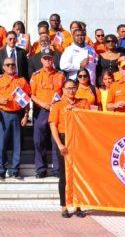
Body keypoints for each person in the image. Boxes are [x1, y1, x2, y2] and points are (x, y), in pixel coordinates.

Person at [49, 79, 90, 218]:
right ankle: (64, 206)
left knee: (79, 175)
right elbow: (53, 125)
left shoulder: (83, 103)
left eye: (73, 88)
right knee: (64, 175)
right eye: (68, 88)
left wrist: (77, 112)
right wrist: (60, 144)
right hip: (64, 138)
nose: (70, 91)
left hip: (79, 139)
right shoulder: (58, 105)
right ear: (63, 90)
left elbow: (90, 120)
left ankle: (78, 205)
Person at [0, 56, 31, 179]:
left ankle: (15, 170)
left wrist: (26, 115)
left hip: (17, 114)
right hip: (3, 114)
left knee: (17, 143)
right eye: (8, 65)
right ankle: (1, 169)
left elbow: (26, 100)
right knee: (1, 143)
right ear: (3, 67)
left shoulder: (22, 81)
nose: (10, 67)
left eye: (13, 65)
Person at [30, 52, 65, 178]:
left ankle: (57, 169)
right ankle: (41, 169)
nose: (48, 61)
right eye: (45, 59)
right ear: (42, 60)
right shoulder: (36, 75)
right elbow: (32, 95)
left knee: (55, 140)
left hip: (56, 110)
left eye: (50, 58)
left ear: (53, 59)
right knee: (39, 141)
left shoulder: (60, 75)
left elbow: (64, 93)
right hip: (41, 111)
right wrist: (43, 104)